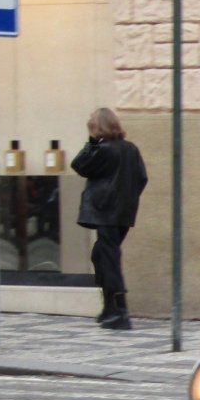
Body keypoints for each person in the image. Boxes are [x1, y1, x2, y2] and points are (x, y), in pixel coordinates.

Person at [72, 107, 148, 330]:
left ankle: (120, 311)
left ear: (99, 128)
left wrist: (91, 142)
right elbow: (142, 178)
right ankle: (109, 308)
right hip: (122, 212)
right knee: (101, 255)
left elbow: (79, 165)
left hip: (105, 211)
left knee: (109, 258)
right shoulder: (131, 149)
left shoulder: (103, 149)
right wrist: (128, 199)